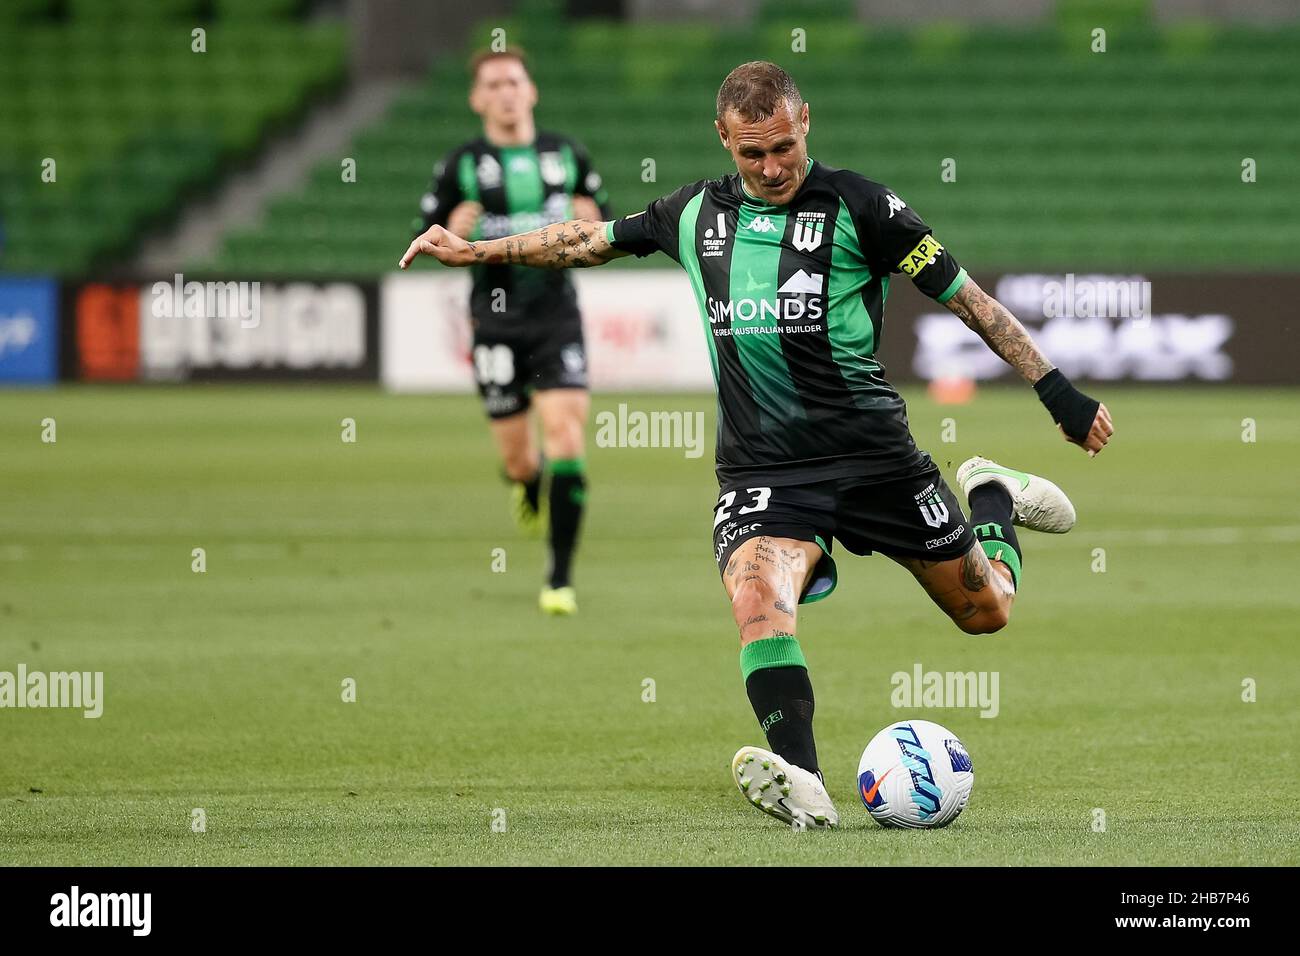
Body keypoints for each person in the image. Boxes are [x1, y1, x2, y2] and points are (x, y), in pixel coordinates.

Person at [400, 61, 1114, 828]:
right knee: (756, 600)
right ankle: (803, 779)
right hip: (765, 468)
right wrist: (477, 253)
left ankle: (992, 494)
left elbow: (969, 301)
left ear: (806, 122)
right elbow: (587, 239)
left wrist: (1056, 391)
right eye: (752, 153)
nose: (771, 168)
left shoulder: (864, 207)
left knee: (987, 613)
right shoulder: (691, 214)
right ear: (724, 139)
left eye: (783, 147)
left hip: (875, 456)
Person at [415, 47, 611, 615]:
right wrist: (451, 230)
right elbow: (426, 236)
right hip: (495, 321)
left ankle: (559, 578)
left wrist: (593, 213)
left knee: (568, 439)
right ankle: (527, 484)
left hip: (556, 318)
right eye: (493, 84)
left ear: (531, 91)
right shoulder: (461, 165)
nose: (505, 92)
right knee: (521, 459)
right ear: (478, 98)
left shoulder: (567, 155)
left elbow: (602, 228)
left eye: (514, 81)